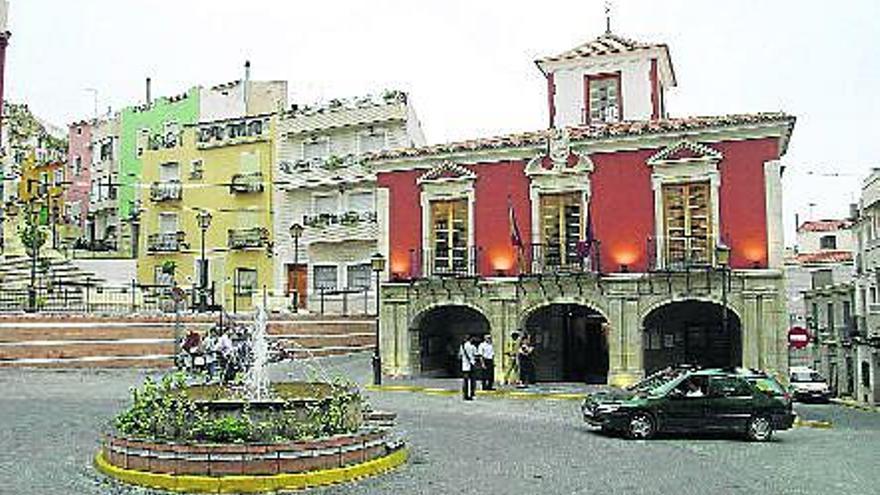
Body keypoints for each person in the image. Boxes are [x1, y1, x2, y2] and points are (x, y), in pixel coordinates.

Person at [459, 335, 478, 400]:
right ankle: (472, 393)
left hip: (464, 366)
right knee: (472, 380)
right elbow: (476, 354)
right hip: (471, 365)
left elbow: (460, 355)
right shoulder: (472, 346)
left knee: (465, 381)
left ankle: (465, 395)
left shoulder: (462, 346)